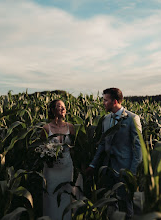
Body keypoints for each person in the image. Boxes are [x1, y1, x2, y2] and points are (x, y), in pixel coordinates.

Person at [85, 88, 142, 218]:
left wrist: (132, 173)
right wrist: (93, 165)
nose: (103, 103)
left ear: (115, 101)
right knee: (111, 204)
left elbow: (138, 149)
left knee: (127, 205)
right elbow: (102, 144)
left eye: (106, 100)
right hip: (107, 169)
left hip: (124, 169)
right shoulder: (105, 119)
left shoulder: (132, 119)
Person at [41, 99, 75, 220]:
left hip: (67, 167)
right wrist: (48, 155)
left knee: (65, 195)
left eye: (64, 107)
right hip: (51, 169)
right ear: (53, 110)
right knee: (51, 196)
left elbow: (74, 149)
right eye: (59, 107)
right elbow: (41, 148)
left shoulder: (70, 127)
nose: (63, 109)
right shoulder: (46, 128)